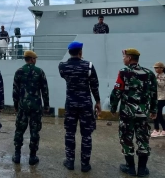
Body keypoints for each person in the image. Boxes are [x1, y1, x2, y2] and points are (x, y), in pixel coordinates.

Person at [110, 48, 157, 177]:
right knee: (143, 139)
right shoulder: (149, 73)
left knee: (126, 138)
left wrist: (113, 108)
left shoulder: (123, 72)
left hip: (127, 113)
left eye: (124, 57)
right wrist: (153, 110)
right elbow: (154, 94)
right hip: (143, 114)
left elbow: (117, 91)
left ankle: (130, 168)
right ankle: (142, 170)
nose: (123, 59)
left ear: (129, 58)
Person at [58, 41, 101, 172]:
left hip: (71, 104)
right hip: (86, 104)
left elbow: (64, 75)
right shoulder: (88, 66)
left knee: (70, 133)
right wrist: (98, 102)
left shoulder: (63, 66)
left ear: (69, 52)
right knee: (86, 134)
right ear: (80, 52)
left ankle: (70, 162)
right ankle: (85, 164)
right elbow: (94, 85)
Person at [12, 50, 49, 165]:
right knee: (34, 131)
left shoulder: (19, 72)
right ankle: (32, 157)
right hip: (36, 107)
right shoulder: (39, 72)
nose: (35, 60)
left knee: (19, 130)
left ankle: (17, 155)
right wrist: (46, 106)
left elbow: (15, 90)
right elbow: (45, 90)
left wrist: (16, 105)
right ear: (32, 59)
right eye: (35, 58)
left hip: (22, 106)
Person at [151, 62, 165, 137]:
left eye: (157, 68)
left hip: (162, 97)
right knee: (156, 113)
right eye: (155, 68)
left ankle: (157, 129)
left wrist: (155, 80)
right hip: (157, 97)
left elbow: (161, 85)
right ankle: (158, 129)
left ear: (162, 68)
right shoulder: (156, 75)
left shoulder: (163, 76)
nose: (155, 69)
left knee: (157, 113)